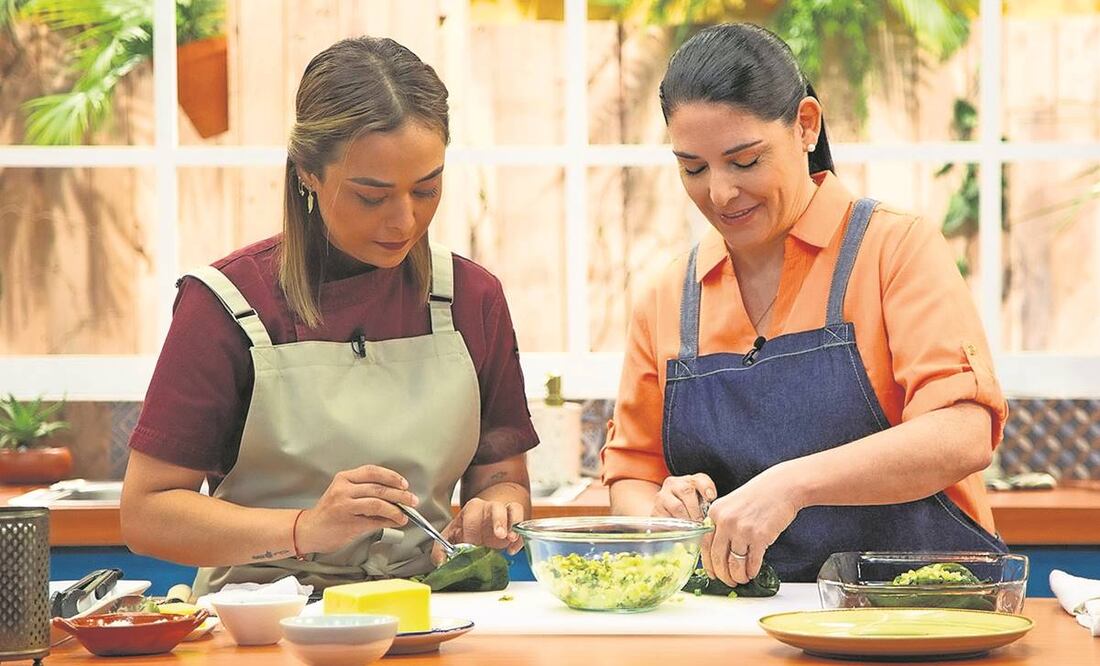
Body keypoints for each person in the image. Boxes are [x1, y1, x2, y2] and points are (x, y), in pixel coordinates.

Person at [120, 37, 537, 596]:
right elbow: (146, 513)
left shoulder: (472, 298)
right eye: (371, 196)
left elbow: (502, 478)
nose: (404, 220)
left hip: (426, 611)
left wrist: (496, 508)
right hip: (262, 620)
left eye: (426, 189)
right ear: (307, 173)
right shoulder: (225, 304)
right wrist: (305, 529)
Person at [601, 23, 1008, 586]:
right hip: (739, 618)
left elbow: (963, 432)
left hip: (918, 608)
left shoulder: (894, 249)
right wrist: (663, 515)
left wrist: (792, 486)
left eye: (745, 161)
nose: (719, 193)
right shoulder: (667, 297)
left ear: (805, 125)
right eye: (693, 168)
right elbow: (631, 474)